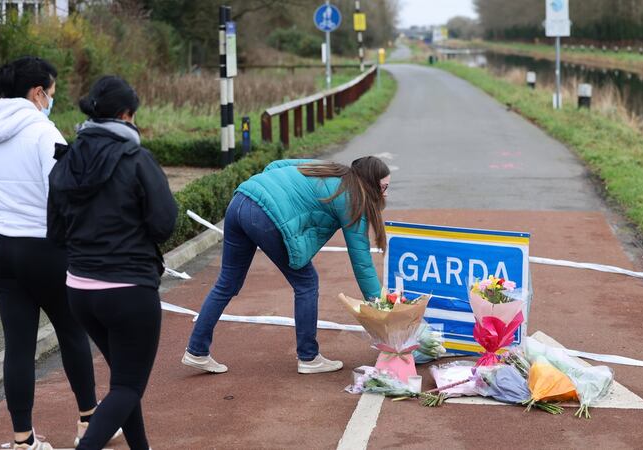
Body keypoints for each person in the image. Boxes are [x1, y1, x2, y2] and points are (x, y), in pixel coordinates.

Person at [47, 75, 177, 450]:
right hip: (129, 289)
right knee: (127, 385)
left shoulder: (67, 159)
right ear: (126, 114)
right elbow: (164, 223)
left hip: (80, 292)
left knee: (124, 380)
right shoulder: (136, 159)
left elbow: (55, 231)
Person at [0, 56, 100, 450]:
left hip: (0, 248)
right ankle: (88, 423)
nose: (52, 99)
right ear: (37, 92)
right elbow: (66, 194)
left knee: (18, 346)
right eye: (51, 92)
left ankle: (23, 440)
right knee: (71, 332)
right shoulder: (44, 133)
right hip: (44, 249)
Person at [183, 156, 390, 374]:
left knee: (227, 283)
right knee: (307, 283)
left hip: (241, 199)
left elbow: (275, 166)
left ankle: (196, 350)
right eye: (383, 187)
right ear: (368, 182)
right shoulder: (352, 200)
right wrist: (381, 309)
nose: (385, 194)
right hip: (263, 216)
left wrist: (270, 191)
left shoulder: (328, 167)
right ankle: (308, 357)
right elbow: (362, 263)